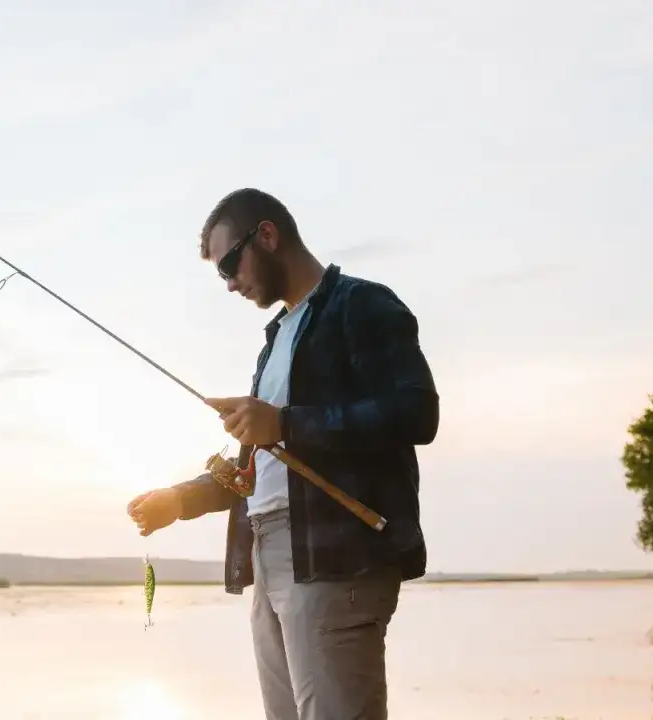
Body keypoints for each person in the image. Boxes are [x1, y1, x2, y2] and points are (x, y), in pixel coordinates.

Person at [126, 188, 439, 719]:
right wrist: (177, 501)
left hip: (337, 562)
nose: (229, 282)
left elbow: (416, 413)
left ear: (267, 235)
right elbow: (256, 464)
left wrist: (287, 423)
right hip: (269, 556)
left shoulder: (362, 306)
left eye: (230, 262)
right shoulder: (274, 342)